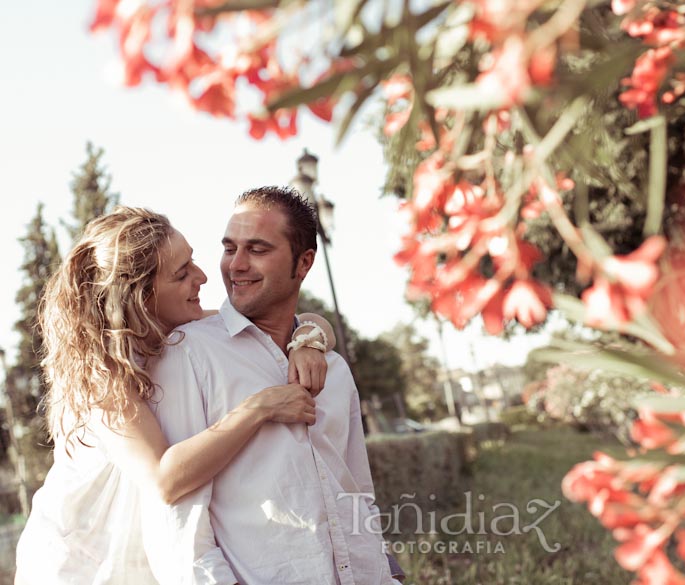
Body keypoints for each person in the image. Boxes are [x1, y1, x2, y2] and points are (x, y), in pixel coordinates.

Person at [15, 207, 336, 584]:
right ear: (137, 296)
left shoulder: (175, 330)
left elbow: (286, 323)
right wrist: (259, 407)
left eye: (194, 262)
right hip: (83, 567)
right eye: (182, 274)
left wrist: (308, 340)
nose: (202, 277)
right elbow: (164, 479)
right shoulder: (102, 375)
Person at [143, 186, 405, 584]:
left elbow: (356, 491)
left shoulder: (332, 368)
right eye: (230, 248)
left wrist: (385, 572)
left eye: (258, 249)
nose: (236, 265)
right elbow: (180, 525)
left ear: (303, 263)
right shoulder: (189, 353)